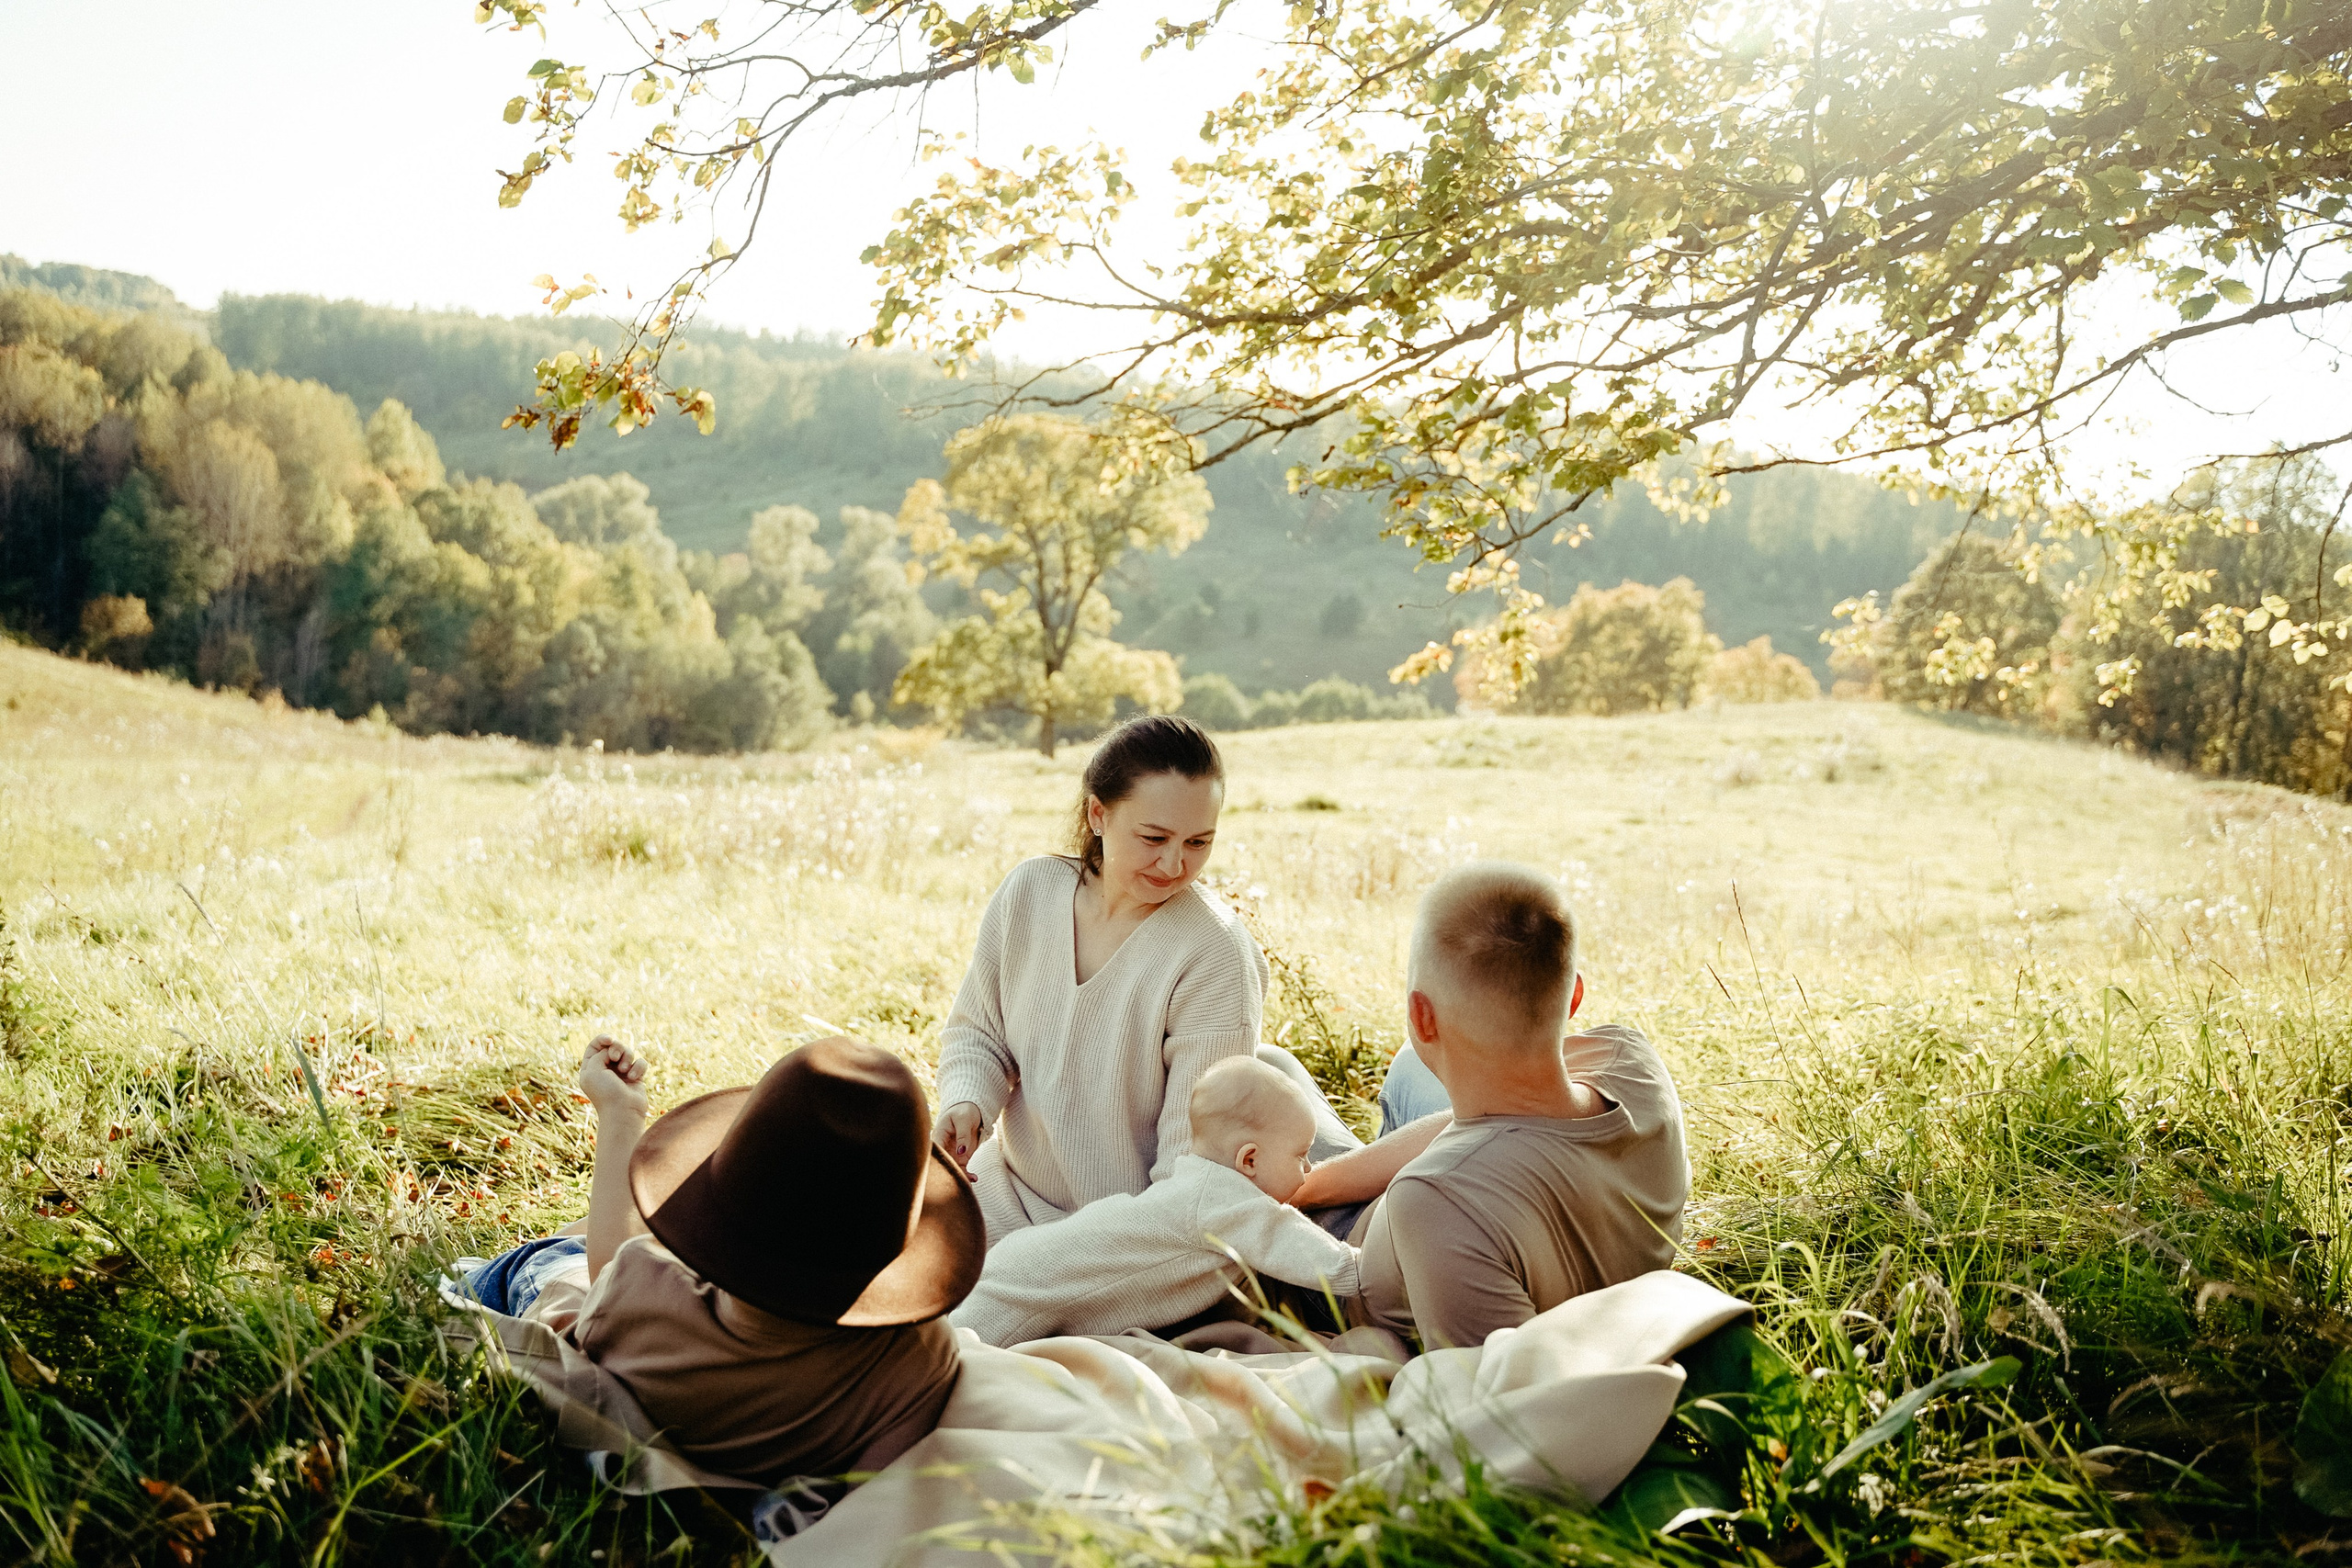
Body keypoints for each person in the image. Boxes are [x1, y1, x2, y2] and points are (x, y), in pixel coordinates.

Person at [469, 1033, 986, 1483]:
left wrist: (620, 1116)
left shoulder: (641, 1287)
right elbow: (875, 1481)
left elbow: (604, 1272)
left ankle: (473, 1273)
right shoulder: (919, 1357)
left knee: (554, 1257)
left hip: (564, 1297)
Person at [1286, 863, 1690, 1352]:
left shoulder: (1434, 1199)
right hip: (1462, 1211)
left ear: (1420, 1014)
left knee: (1269, 1065)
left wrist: (1288, 1198)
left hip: (1344, 1267)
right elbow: (1488, 1124)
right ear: (1574, 996)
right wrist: (1312, 1187)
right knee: (1412, 1067)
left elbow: (1486, 1395)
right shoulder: (1629, 1060)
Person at [932, 715, 1277, 1243]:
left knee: (967, 1306)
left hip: (1138, 1236)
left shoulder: (1215, 952)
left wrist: (1076, 1252)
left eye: (1198, 842)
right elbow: (979, 1032)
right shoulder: (1030, 892)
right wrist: (968, 1102)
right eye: (1154, 837)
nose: (1174, 864)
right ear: (1098, 813)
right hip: (1007, 1193)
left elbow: (1190, 1180)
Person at [949, 1055, 1361, 1346]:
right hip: (1026, 1291)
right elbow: (1332, 1266)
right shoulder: (1229, 1203)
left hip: (1021, 1261)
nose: (1310, 1168)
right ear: (1249, 1159)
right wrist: (1372, 1263)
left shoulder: (1194, 1182)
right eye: (1301, 1156)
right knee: (955, 1355)